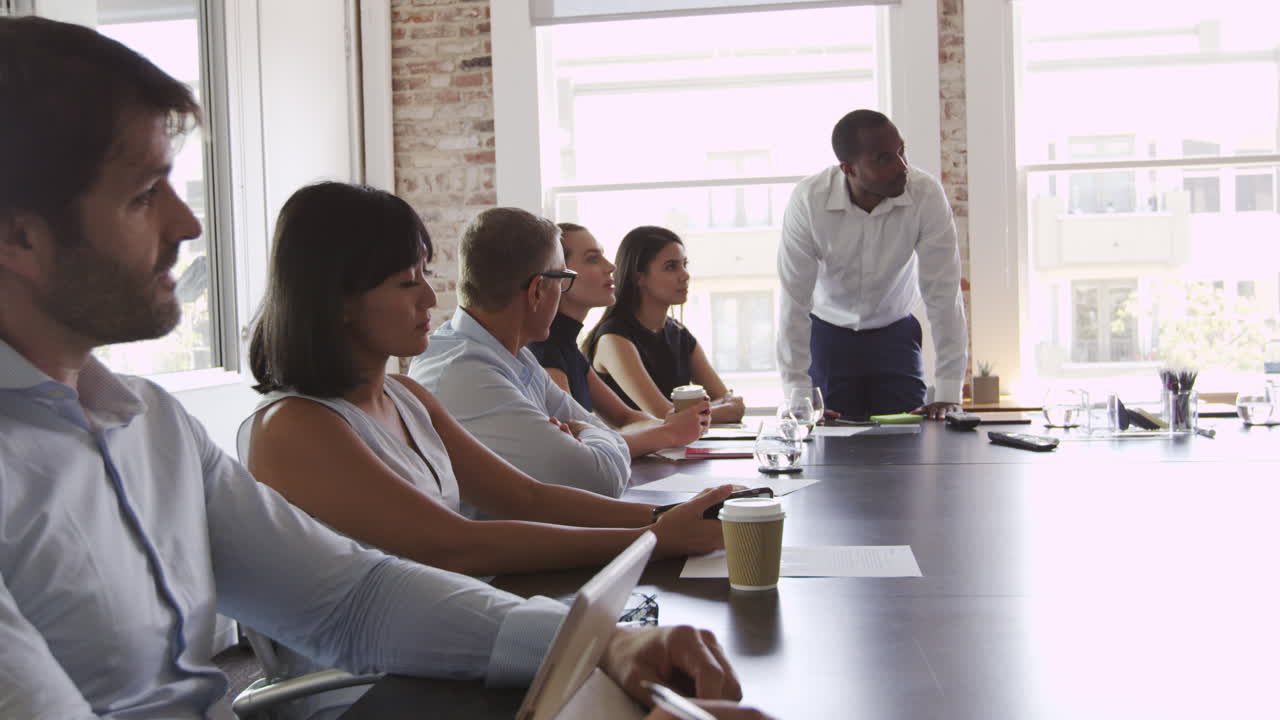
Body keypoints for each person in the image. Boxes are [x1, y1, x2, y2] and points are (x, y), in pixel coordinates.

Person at [0, 16, 747, 719]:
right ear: (17, 236)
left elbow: (351, 599)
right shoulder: (282, 424)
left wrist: (601, 644)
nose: (189, 223)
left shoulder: (151, 422)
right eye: (141, 195)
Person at [244, 182, 730, 576]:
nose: (430, 300)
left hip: (444, 627)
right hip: (372, 683)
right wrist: (654, 538)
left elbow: (526, 496)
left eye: (425, 274)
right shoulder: (295, 426)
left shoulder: (407, 396)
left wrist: (669, 519)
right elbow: (456, 547)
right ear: (340, 300)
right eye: (407, 282)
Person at [410, 209, 637, 497]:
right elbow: (600, 480)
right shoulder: (465, 373)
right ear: (538, 291)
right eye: (563, 280)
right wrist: (588, 435)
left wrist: (588, 436)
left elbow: (607, 446)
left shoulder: (515, 354)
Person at [777, 109, 968, 420]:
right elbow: (793, 302)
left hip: (895, 336)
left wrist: (949, 393)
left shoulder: (926, 194)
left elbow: (944, 295)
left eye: (901, 152)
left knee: (907, 443)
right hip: (827, 335)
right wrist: (798, 397)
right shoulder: (809, 200)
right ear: (848, 168)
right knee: (832, 450)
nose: (902, 167)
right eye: (884, 158)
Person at [527, 222, 709, 457]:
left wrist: (672, 425)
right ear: (560, 274)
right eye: (593, 259)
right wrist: (670, 431)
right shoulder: (544, 349)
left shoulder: (567, 346)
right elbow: (576, 443)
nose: (611, 266)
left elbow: (625, 418)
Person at [583, 225, 746, 424]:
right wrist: (723, 410)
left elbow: (723, 397)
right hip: (633, 454)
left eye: (684, 264)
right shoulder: (613, 339)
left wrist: (716, 409)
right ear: (638, 277)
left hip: (675, 451)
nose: (685, 275)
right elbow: (663, 415)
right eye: (671, 266)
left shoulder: (678, 333)